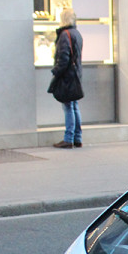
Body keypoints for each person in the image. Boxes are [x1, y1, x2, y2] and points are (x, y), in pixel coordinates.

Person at [50, 8, 83, 149]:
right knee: (74, 106)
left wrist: (56, 71)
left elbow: (64, 57)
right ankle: (77, 138)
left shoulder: (65, 34)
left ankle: (68, 138)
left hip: (67, 76)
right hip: (75, 74)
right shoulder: (77, 33)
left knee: (68, 106)